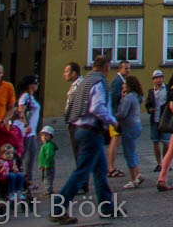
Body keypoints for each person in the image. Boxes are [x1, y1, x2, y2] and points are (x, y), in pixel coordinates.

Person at [52, 54, 118, 224]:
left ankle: (107, 206)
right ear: (106, 67)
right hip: (91, 131)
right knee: (82, 172)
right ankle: (58, 207)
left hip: (80, 128)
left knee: (100, 170)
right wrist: (113, 121)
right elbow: (97, 107)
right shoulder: (99, 82)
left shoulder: (86, 81)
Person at [61, 62, 88, 197]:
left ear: (74, 73)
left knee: (80, 154)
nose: (64, 74)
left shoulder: (79, 85)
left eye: (66, 71)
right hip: (76, 123)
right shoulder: (76, 84)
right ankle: (83, 182)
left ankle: (82, 183)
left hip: (77, 124)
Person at [114, 74, 143, 188]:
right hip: (136, 125)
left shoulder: (128, 97)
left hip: (128, 127)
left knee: (129, 153)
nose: (123, 86)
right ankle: (137, 175)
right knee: (133, 151)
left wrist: (113, 117)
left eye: (125, 84)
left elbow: (122, 113)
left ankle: (132, 179)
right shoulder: (136, 96)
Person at [105, 60, 130, 178]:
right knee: (114, 141)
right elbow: (114, 99)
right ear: (120, 69)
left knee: (116, 141)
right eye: (125, 68)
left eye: (129, 68)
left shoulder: (121, 80)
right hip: (115, 116)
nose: (128, 70)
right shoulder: (117, 81)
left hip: (116, 115)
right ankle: (110, 168)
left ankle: (110, 167)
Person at [16, 75, 41, 175]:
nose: (38, 84)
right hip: (25, 131)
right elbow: (21, 112)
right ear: (30, 85)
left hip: (31, 132)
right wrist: (26, 125)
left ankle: (27, 179)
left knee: (32, 154)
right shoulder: (25, 97)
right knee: (23, 155)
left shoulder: (31, 97)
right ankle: (19, 176)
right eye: (36, 83)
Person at [144, 70, 168, 172]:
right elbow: (148, 104)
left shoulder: (167, 89)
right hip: (154, 119)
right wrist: (150, 109)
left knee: (166, 142)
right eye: (156, 78)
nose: (159, 80)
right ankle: (159, 163)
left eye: (160, 77)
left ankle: (166, 162)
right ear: (153, 80)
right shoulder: (151, 91)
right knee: (155, 141)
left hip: (165, 119)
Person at [38, 126, 58, 198]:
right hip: (45, 165)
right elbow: (42, 157)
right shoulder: (45, 145)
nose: (44, 137)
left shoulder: (49, 145)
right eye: (42, 135)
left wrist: (46, 163)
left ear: (51, 136)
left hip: (48, 165)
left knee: (47, 177)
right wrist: (41, 164)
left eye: (46, 135)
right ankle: (49, 189)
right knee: (45, 177)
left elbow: (49, 155)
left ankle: (48, 191)